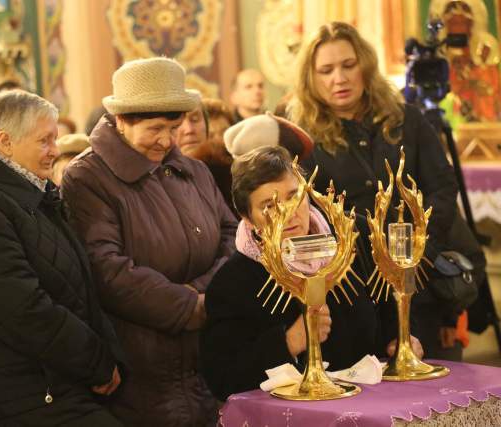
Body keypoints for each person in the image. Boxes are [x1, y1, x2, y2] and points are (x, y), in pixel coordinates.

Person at [0, 90, 125, 426]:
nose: (55, 151)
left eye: (55, 140)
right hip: (17, 395)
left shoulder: (23, 194)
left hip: (49, 382)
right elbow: (20, 307)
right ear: (5, 142)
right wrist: (94, 360)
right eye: (45, 141)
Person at [61, 57, 237, 427]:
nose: (168, 140)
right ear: (122, 121)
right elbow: (106, 268)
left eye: (174, 127)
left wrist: (207, 296)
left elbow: (230, 237)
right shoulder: (87, 178)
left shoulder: (193, 170)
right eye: (155, 128)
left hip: (207, 353)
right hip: (142, 365)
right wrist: (189, 306)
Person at [290, 22, 459, 359]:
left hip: (417, 282)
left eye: (348, 65)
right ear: (311, 78)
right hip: (348, 296)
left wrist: (417, 251)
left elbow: (442, 188)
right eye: (326, 70)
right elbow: (304, 216)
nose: (339, 78)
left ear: (365, 65)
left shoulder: (407, 119)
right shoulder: (300, 136)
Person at [200, 146, 421, 402]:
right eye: (269, 206)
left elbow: (389, 304)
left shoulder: (353, 239)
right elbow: (223, 378)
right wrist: (288, 343)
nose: (288, 213)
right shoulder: (234, 282)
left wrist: (402, 339)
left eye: (294, 196)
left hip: (373, 403)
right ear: (247, 218)